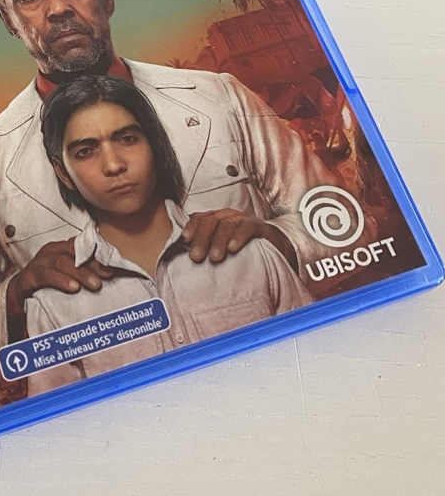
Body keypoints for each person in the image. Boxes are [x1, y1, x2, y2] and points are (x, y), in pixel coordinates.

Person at [0, 0, 340, 354]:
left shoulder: (220, 97)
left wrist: (275, 241)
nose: (58, 8)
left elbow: (350, 228)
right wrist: (16, 296)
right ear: (9, 21)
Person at [24, 74, 311, 394]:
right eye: (85, 151)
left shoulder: (253, 254)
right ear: (63, 172)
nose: (114, 165)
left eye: (127, 139)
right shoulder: (52, 306)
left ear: (155, 145)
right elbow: (63, 417)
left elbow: (316, 364)